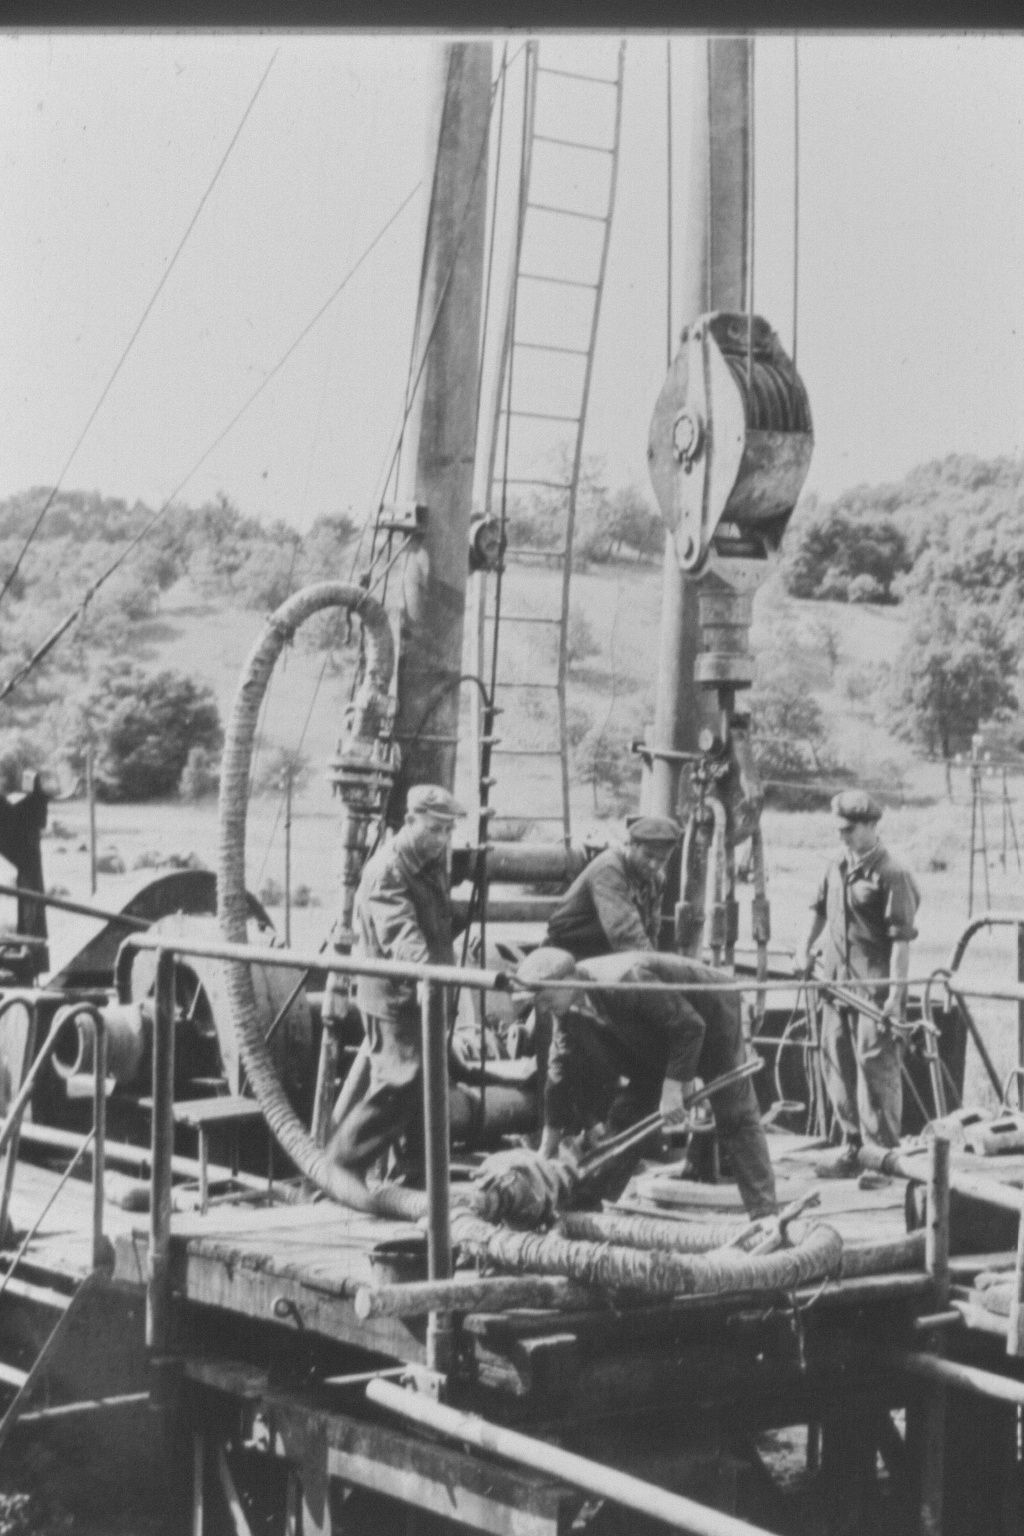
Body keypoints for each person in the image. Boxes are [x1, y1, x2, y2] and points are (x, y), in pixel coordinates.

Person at [522, 946, 777, 1218]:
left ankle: (765, 1214)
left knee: (734, 1113)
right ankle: (583, 1209)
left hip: (712, 1013)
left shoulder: (625, 980)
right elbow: (560, 1070)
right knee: (627, 1117)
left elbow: (690, 1026)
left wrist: (673, 1086)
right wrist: (548, 1146)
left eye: (546, 999)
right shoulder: (567, 1007)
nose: (544, 1009)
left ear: (568, 980)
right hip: (657, 1035)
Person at [329, 783, 464, 1178]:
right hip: (395, 997)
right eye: (434, 828)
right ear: (409, 820)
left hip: (424, 992)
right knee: (400, 1082)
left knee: (429, 1086)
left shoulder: (428, 862)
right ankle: (340, 1167)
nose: (442, 839)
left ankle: (415, 1179)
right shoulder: (387, 869)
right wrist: (426, 975)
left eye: (448, 830)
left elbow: (434, 921)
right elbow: (401, 933)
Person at [798, 790, 921, 1181]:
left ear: (871, 826)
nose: (842, 836)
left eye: (850, 829)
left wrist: (896, 995)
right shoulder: (836, 865)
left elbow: (901, 941)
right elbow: (818, 911)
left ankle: (881, 1158)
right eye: (839, 829)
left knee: (876, 1071)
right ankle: (852, 1147)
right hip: (836, 987)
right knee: (837, 1065)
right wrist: (803, 949)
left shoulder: (893, 873)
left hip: (874, 991)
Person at [544, 816, 682, 960]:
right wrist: (655, 965)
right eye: (648, 856)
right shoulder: (609, 869)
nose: (654, 865)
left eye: (662, 859)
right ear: (631, 845)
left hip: (607, 952)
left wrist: (655, 959)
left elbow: (652, 931)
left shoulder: (656, 879)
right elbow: (625, 933)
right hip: (569, 950)